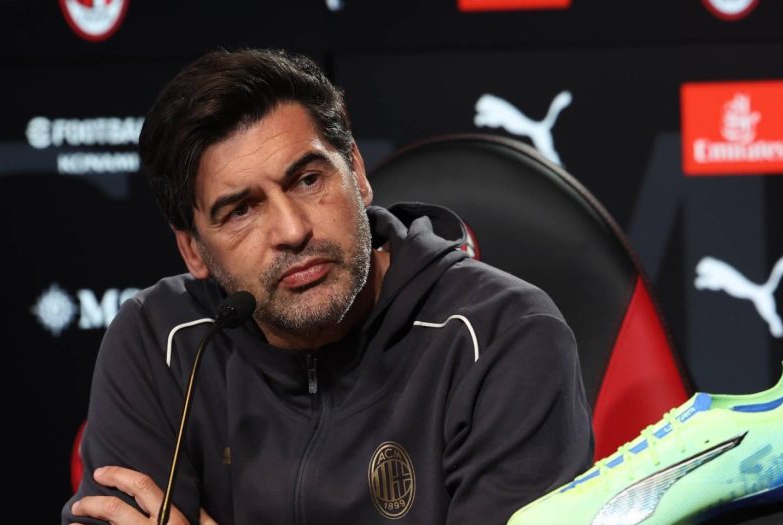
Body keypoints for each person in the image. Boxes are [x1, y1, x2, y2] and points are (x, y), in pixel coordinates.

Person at [62, 48, 593, 525]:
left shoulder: (503, 335)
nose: (292, 231)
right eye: (241, 210)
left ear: (356, 172)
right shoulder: (159, 341)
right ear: (193, 250)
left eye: (308, 180)